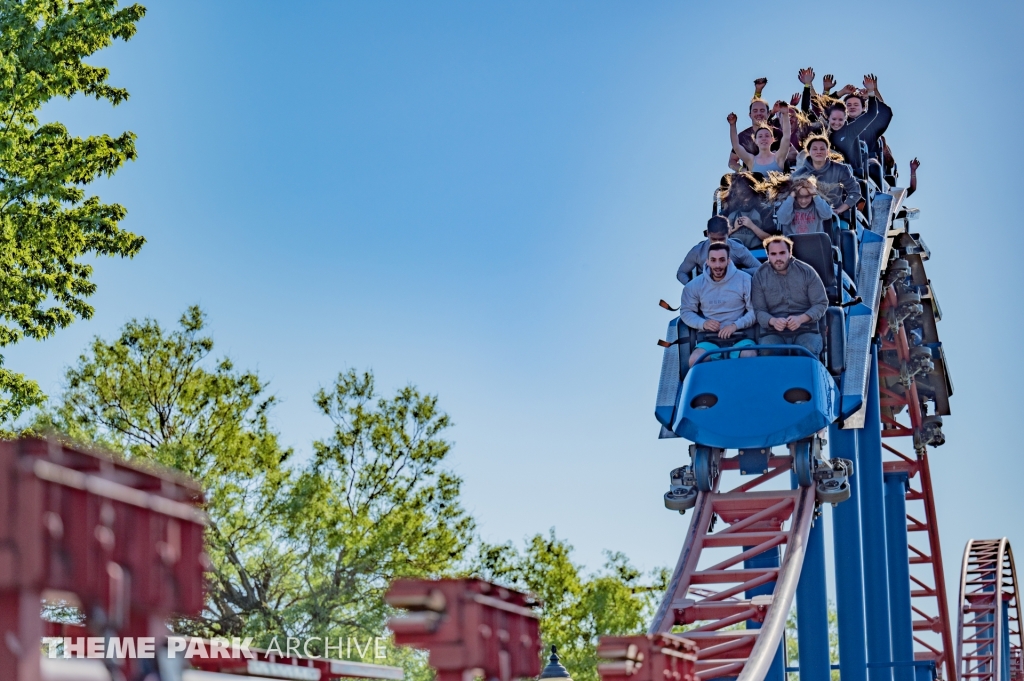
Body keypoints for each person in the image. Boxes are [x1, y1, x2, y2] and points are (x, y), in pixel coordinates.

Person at [679, 242, 757, 366]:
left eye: (722, 260)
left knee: (750, 355)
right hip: (709, 338)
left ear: (728, 261)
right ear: (707, 261)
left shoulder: (745, 280)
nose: (718, 265)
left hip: (740, 336)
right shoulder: (695, 285)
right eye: (713, 260)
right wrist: (703, 323)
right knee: (695, 360)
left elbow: (755, 310)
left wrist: (734, 326)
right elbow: (685, 311)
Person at [752, 235, 828, 357]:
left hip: (806, 328)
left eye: (782, 253)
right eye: (773, 254)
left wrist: (801, 319)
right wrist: (772, 321)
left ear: (790, 252)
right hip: (773, 332)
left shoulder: (807, 271)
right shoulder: (759, 275)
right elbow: (758, 310)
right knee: (768, 351)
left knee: (806, 349)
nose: (778, 258)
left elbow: (821, 303)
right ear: (768, 255)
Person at [827, 74, 893, 177]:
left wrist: (873, 92)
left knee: (873, 165)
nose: (852, 107)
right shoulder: (836, 125)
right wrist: (841, 92)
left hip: (863, 169)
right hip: (838, 165)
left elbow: (884, 113)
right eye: (848, 105)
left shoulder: (871, 125)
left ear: (863, 108)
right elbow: (823, 107)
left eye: (856, 105)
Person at [790, 135, 861, 218]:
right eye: (815, 149)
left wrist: (840, 210)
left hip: (835, 217)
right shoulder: (798, 175)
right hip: (807, 219)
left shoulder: (841, 169)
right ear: (809, 151)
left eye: (822, 149)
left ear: (828, 152)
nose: (818, 151)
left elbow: (855, 191)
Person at [677, 215, 761, 284]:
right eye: (713, 239)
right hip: (706, 293)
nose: (717, 243)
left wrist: (737, 272)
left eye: (721, 239)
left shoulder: (738, 249)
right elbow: (681, 273)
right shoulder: (697, 252)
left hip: (734, 290)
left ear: (728, 233)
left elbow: (760, 269)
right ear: (708, 234)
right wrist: (692, 286)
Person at [729, 105, 791, 176]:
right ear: (755, 141)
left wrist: (785, 114)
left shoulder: (779, 157)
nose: (764, 138)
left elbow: (786, 137)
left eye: (767, 136)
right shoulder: (751, 160)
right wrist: (732, 125)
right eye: (760, 136)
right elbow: (736, 147)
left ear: (772, 139)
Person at [722, 172, 775, 250]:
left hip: (757, 253)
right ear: (736, 193)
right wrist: (734, 229)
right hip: (733, 252)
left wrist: (752, 226)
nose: (746, 198)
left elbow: (771, 238)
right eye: (742, 194)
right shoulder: (728, 211)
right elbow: (717, 237)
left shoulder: (763, 211)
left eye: (748, 193)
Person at [728, 97, 780, 171]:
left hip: (776, 173)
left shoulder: (777, 132)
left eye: (762, 110)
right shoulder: (742, 137)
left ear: (768, 114)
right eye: (755, 111)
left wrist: (777, 156)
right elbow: (732, 162)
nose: (759, 113)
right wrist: (743, 170)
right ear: (750, 115)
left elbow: (793, 153)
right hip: (753, 178)